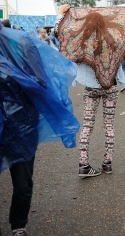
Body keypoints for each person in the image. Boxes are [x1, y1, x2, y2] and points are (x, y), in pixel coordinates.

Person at [1, 20, 80, 236]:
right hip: (18, 122)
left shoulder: (23, 44)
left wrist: (14, 77)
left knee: (23, 181)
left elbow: (40, 81)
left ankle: (18, 225)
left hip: (21, 123)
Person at [56, 4, 125, 177]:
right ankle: (107, 163)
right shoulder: (113, 39)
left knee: (87, 125)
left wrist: (59, 14)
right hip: (111, 86)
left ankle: (83, 165)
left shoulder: (81, 41)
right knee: (109, 125)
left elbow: (62, 33)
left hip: (91, 88)